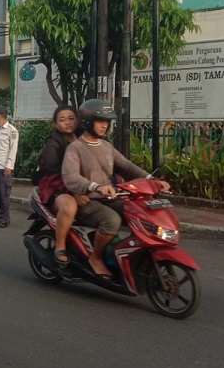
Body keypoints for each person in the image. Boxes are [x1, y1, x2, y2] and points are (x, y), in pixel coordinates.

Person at [61, 99, 170, 279]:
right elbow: (70, 177)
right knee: (112, 220)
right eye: (100, 121)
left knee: (139, 212)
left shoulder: (106, 146)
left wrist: (152, 180)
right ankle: (96, 258)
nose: (105, 126)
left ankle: (127, 254)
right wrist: (95, 186)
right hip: (87, 200)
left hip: (109, 198)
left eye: (107, 122)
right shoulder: (75, 148)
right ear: (87, 122)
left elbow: (127, 166)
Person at [34, 105, 84, 266]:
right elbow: (53, 173)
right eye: (62, 120)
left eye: (71, 119)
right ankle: (60, 246)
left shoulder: (85, 139)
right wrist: (72, 192)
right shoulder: (53, 144)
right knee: (69, 205)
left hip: (83, 185)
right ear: (56, 124)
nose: (67, 123)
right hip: (54, 186)